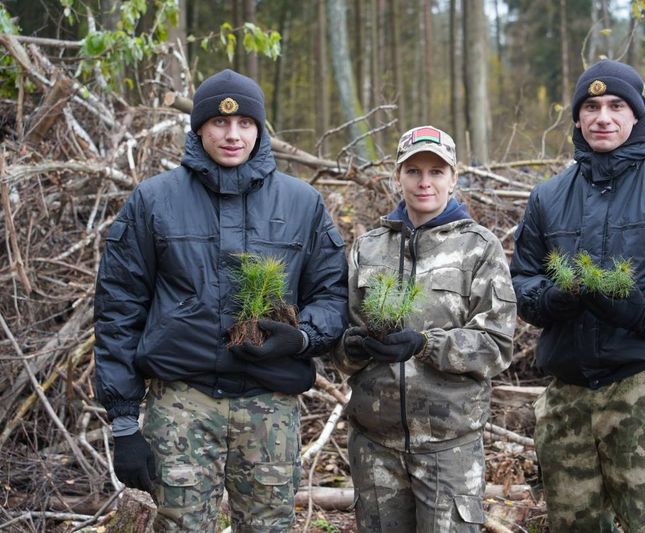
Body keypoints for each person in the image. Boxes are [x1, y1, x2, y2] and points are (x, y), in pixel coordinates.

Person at [94, 69, 348, 531]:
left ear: (260, 128)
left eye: (245, 123)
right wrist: (124, 422)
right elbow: (118, 309)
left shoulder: (301, 203)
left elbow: (332, 294)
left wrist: (301, 338)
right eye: (219, 123)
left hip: (270, 408)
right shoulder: (153, 201)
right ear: (198, 128)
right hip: (182, 407)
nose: (233, 135)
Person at [510, 59, 645, 532]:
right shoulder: (547, 197)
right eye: (590, 107)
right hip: (567, 393)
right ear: (576, 118)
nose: (602, 117)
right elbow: (522, 282)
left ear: (637, 115)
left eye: (616, 105)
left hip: (643, 387)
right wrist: (552, 299)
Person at [332, 125, 517, 531]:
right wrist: (354, 348)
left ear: (454, 177)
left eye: (436, 171)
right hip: (375, 445)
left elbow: (498, 345)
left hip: (448, 447)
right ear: (397, 176)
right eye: (413, 170)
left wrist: (424, 344)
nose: (424, 182)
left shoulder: (479, 247)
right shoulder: (368, 246)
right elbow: (339, 342)